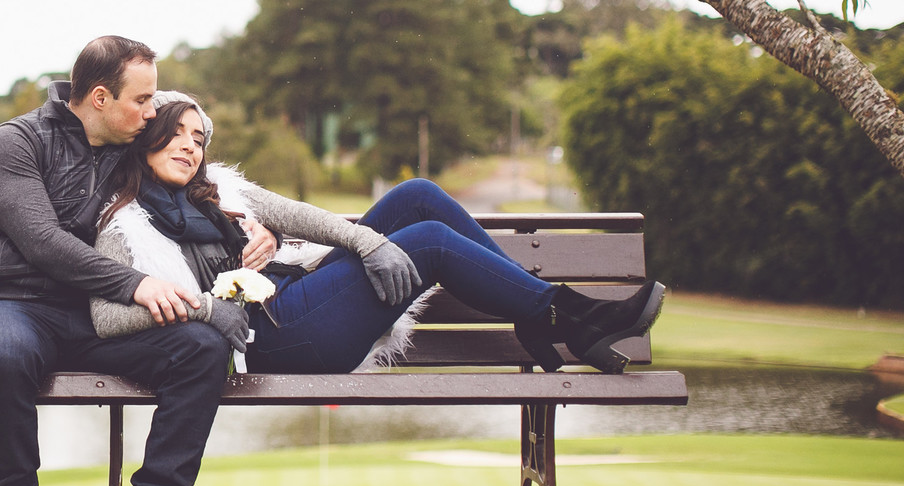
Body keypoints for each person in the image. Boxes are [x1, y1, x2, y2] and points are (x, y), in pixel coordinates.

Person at [0, 37, 278, 486]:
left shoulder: (132, 149)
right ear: (101, 97)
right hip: (17, 304)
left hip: (97, 316)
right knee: (8, 356)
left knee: (200, 348)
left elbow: (206, 189)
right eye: (144, 100)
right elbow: (42, 241)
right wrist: (136, 284)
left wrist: (261, 229)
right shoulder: (15, 144)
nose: (153, 112)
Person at [89, 91, 666, 380]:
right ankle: (566, 315)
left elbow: (297, 214)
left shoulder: (217, 190)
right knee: (430, 241)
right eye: (175, 135)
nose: (191, 146)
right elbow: (105, 319)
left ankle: (543, 317)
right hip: (270, 335)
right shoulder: (123, 222)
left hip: (297, 291)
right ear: (144, 140)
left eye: (199, 136)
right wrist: (209, 301)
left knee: (417, 196)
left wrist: (359, 239)